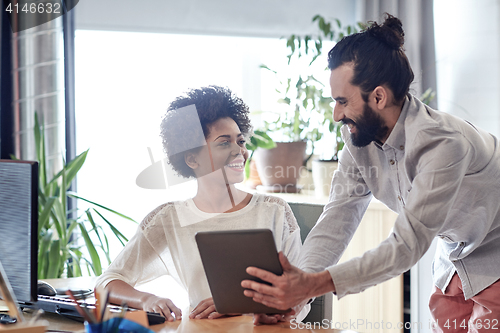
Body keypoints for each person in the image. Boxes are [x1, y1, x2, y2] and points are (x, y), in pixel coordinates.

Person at [242, 14, 500, 332]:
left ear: (378, 97)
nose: (336, 114)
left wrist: (312, 285)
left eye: (342, 101)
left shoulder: (442, 145)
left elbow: (406, 246)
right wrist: (294, 299)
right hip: (454, 259)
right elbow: (336, 221)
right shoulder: (359, 141)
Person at [95, 86, 309, 324]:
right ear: (191, 158)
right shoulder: (169, 218)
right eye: (224, 143)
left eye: (240, 141)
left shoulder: (274, 211)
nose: (240, 151)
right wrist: (147, 300)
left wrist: (237, 305)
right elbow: (108, 281)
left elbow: (301, 291)